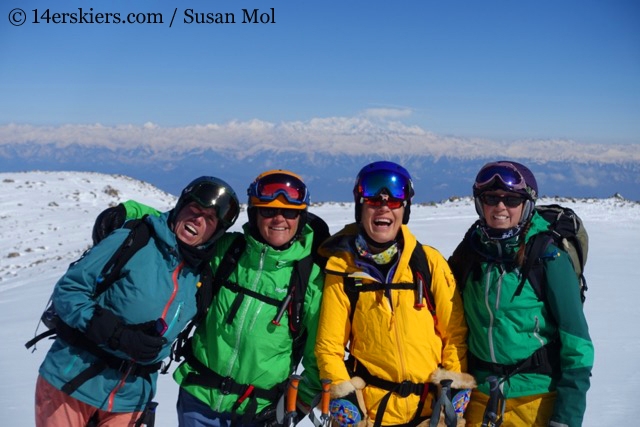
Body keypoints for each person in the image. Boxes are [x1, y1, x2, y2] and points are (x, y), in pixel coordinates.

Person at [109, 170, 328, 426]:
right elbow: (178, 227)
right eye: (268, 210)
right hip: (198, 399)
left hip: (260, 411)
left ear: (300, 218)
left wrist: (295, 408)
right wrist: (128, 213)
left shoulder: (310, 279)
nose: (279, 218)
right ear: (255, 214)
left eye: (289, 212)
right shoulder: (227, 250)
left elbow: (317, 358)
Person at [35, 176, 241, 427]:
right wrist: (116, 334)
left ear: (216, 231)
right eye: (194, 210)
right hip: (71, 381)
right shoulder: (136, 239)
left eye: (209, 219)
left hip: (130, 398)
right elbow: (69, 290)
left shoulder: (203, 272)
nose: (198, 220)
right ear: (179, 207)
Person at [315, 161, 473, 427]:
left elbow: (454, 334)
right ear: (360, 207)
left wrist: (452, 384)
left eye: (394, 201)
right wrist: (345, 396)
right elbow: (329, 347)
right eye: (373, 201)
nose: (384, 207)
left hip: (430, 413)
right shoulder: (343, 269)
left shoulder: (428, 263)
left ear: (405, 209)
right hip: (373, 416)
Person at [448, 160, 594, 427]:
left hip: (535, 400)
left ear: (526, 204)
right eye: (491, 198)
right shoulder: (469, 253)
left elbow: (578, 345)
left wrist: (567, 417)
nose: (500, 207)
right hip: (479, 399)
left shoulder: (548, 258)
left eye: (512, 200)